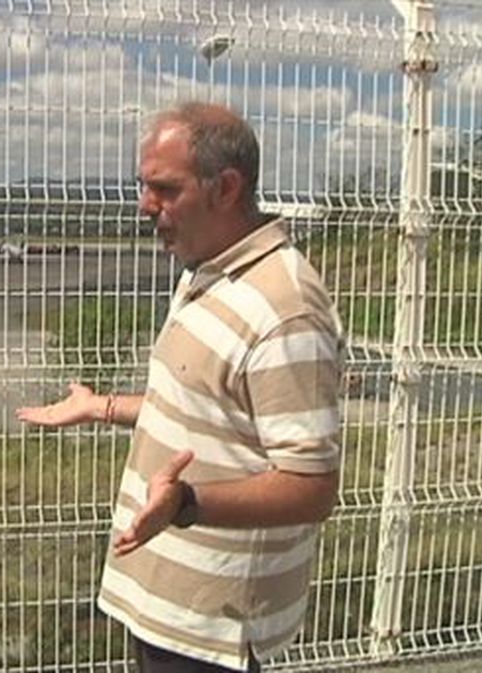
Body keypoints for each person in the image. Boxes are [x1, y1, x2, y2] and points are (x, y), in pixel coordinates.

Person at [17, 102, 343, 672]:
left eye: (166, 190)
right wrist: (102, 407)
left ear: (227, 188)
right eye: (144, 187)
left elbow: (311, 487)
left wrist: (188, 504)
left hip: (213, 630)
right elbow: (210, 407)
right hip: (167, 605)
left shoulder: (284, 309)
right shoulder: (207, 271)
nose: (146, 207)